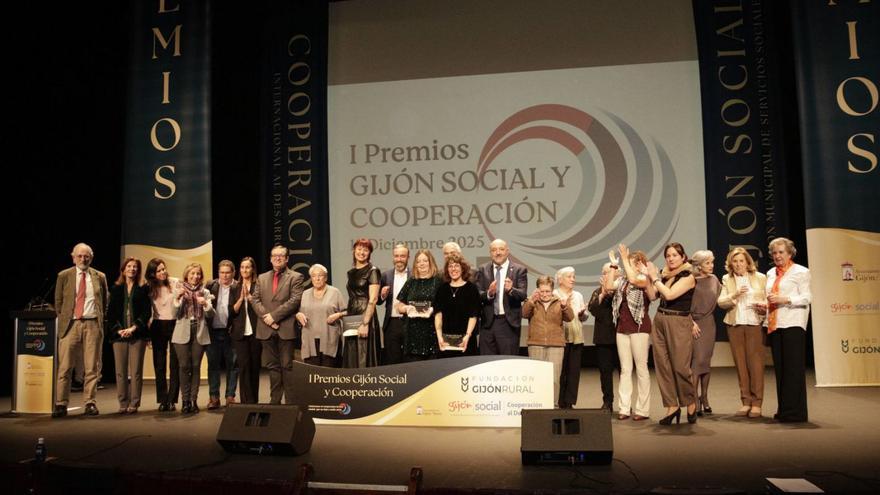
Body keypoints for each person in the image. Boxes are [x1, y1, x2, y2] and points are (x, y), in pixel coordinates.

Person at [53, 242, 109, 418]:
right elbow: (58, 301)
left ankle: (90, 403)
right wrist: (66, 318)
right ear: (73, 257)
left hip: (92, 324)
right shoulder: (64, 275)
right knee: (65, 367)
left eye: (86, 256)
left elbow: (105, 302)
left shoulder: (100, 276)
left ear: (91, 258)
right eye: (80, 256)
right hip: (71, 325)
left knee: (92, 367)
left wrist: (97, 317)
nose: (83, 259)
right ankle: (61, 403)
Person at [760, 237, 811, 423]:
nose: (777, 256)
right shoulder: (771, 273)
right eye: (774, 252)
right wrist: (763, 307)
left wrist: (786, 300)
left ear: (790, 253)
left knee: (793, 369)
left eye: (781, 252)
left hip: (793, 323)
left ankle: (796, 412)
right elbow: (770, 298)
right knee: (781, 369)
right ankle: (784, 409)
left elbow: (807, 297)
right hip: (775, 324)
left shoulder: (801, 272)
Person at [647, 242, 698, 425]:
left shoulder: (688, 276)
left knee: (680, 367)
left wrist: (654, 279)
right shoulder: (663, 274)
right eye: (668, 255)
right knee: (663, 366)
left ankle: (690, 401)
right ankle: (671, 406)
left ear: (683, 257)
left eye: (675, 255)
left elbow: (669, 295)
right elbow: (653, 296)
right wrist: (648, 277)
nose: (671, 258)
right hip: (660, 319)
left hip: (678, 322)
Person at [606, 246, 656, 420]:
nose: (631, 267)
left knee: (641, 369)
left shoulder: (644, 280)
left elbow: (635, 280)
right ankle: (624, 408)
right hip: (622, 328)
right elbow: (608, 286)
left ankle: (642, 410)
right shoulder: (624, 282)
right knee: (625, 369)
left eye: (634, 263)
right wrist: (614, 266)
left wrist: (625, 259)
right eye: (630, 264)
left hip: (639, 327)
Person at [717, 247, 767, 418]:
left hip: (754, 324)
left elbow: (767, 300)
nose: (738, 264)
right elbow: (721, 302)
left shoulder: (760, 278)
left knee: (756, 364)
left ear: (747, 262)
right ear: (731, 263)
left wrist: (763, 307)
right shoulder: (727, 279)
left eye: (741, 261)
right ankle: (745, 401)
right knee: (740, 364)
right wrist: (735, 294)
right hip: (735, 324)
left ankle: (757, 403)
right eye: (735, 261)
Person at [252, 245, 305, 404]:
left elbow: (295, 301)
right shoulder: (261, 278)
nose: (277, 258)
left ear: (287, 258)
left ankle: (290, 402)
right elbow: (255, 300)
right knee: (272, 367)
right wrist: (266, 318)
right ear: (270, 258)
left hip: (285, 328)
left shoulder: (296, 277)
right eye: (274, 255)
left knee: (287, 367)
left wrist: (274, 317)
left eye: (281, 256)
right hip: (265, 329)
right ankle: (275, 401)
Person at [106, 257, 151, 414]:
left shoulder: (143, 288)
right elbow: (110, 313)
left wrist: (133, 328)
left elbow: (147, 312)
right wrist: (118, 330)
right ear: (123, 270)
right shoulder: (116, 288)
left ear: (138, 271)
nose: (132, 269)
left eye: (135, 267)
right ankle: (123, 403)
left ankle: (134, 403)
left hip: (137, 334)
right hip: (118, 336)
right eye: (129, 266)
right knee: (120, 371)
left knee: (136, 371)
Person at [522, 276, 573, 407]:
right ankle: (538, 404)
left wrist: (564, 306)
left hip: (556, 345)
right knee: (537, 378)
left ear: (552, 290)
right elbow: (524, 314)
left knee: (554, 379)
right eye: (542, 291)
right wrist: (531, 301)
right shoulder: (532, 301)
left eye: (547, 291)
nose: (545, 294)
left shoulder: (559, 302)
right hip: (536, 344)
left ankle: (553, 405)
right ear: (538, 290)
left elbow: (570, 318)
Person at [172, 263, 214, 414]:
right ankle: (185, 401)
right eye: (192, 274)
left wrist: (206, 305)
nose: (195, 276)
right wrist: (177, 299)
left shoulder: (206, 292)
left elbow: (211, 315)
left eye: (198, 274)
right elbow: (173, 313)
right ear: (187, 275)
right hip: (182, 330)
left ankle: (193, 401)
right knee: (184, 366)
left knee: (196, 366)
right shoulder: (178, 290)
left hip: (199, 330)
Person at [474, 239, 528, 355]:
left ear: (507, 251)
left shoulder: (519, 270)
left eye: (501, 249)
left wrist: (511, 290)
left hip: (508, 324)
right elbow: (477, 295)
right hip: (487, 324)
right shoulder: (482, 269)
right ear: (490, 253)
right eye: (494, 250)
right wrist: (489, 293)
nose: (498, 253)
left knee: (507, 363)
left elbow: (523, 295)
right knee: (486, 364)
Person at [145, 258, 180, 412]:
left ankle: (172, 400)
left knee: (175, 364)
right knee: (159, 365)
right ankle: (162, 400)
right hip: (158, 326)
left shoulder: (175, 282)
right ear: (152, 273)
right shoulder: (148, 287)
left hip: (175, 324)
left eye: (163, 269)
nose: (162, 272)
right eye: (158, 270)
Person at [689, 250, 721, 416]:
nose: (711, 266)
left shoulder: (714, 280)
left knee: (706, 363)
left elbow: (721, 298)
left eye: (712, 262)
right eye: (708, 263)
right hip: (694, 324)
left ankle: (705, 397)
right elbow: (683, 304)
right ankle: (694, 399)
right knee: (697, 362)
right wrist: (691, 323)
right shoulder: (691, 281)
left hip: (709, 324)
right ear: (699, 265)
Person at [396, 249, 443, 361]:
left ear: (430, 262)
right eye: (418, 261)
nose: (421, 264)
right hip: (412, 333)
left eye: (425, 261)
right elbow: (398, 306)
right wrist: (406, 309)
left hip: (432, 332)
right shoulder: (411, 281)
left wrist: (433, 309)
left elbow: (445, 305)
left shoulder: (438, 281)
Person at [296, 264, 345, 367]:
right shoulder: (305, 294)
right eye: (314, 276)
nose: (317, 279)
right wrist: (298, 315)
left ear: (326, 277)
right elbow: (300, 313)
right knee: (312, 375)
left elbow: (347, 311)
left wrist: (338, 315)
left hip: (329, 338)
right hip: (310, 339)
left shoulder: (334, 292)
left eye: (320, 275)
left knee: (328, 375)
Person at [342, 239, 381, 368]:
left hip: (365, 315)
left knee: (364, 357)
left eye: (365, 250)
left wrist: (365, 323)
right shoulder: (351, 272)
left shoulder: (373, 271)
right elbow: (352, 297)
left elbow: (373, 299)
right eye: (359, 249)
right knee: (352, 354)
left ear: (369, 253)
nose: (362, 252)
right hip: (352, 316)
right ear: (354, 251)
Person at [205, 260, 239, 408]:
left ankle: (230, 396)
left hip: (230, 331)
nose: (225, 275)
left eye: (228, 272)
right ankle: (214, 397)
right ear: (218, 273)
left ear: (233, 273)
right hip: (212, 331)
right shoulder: (210, 286)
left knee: (233, 364)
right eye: (222, 272)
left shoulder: (238, 287)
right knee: (213, 365)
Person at [554, 267, 589, 409]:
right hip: (560, 339)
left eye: (573, 276)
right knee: (561, 372)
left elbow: (584, 317)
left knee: (573, 372)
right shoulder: (554, 294)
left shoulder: (578, 295)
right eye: (569, 276)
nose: (573, 279)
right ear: (560, 279)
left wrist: (582, 313)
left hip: (576, 338)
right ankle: (559, 400)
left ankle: (569, 402)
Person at [433, 253, 481, 356]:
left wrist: (467, 336)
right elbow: (438, 315)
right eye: (450, 266)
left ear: (463, 268)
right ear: (447, 270)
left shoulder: (471, 289)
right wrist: (439, 336)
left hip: (466, 341)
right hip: (445, 342)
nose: (453, 269)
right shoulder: (442, 289)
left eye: (456, 266)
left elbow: (473, 315)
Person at [230, 257, 262, 404]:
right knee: (243, 367)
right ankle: (245, 402)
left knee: (254, 367)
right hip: (240, 333)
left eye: (247, 267)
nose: (244, 270)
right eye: (242, 267)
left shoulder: (259, 285)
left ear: (253, 269)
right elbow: (232, 312)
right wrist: (240, 299)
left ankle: (254, 400)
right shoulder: (235, 287)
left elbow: (262, 309)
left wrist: (250, 299)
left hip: (256, 332)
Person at [588, 262, 619, 412]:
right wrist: (602, 294)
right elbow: (593, 310)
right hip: (603, 339)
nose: (606, 275)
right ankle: (608, 402)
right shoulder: (597, 292)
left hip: (622, 337)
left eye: (609, 272)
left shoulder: (621, 292)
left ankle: (626, 404)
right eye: (604, 273)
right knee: (605, 373)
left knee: (625, 372)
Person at [379, 244, 410, 365]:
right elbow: (378, 301)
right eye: (396, 256)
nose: (399, 259)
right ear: (393, 257)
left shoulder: (414, 275)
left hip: (409, 323)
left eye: (403, 256)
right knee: (392, 360)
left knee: (409, 359)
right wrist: (382, 295)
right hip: (391, 323)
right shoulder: (386, 275)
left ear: (408, 257)